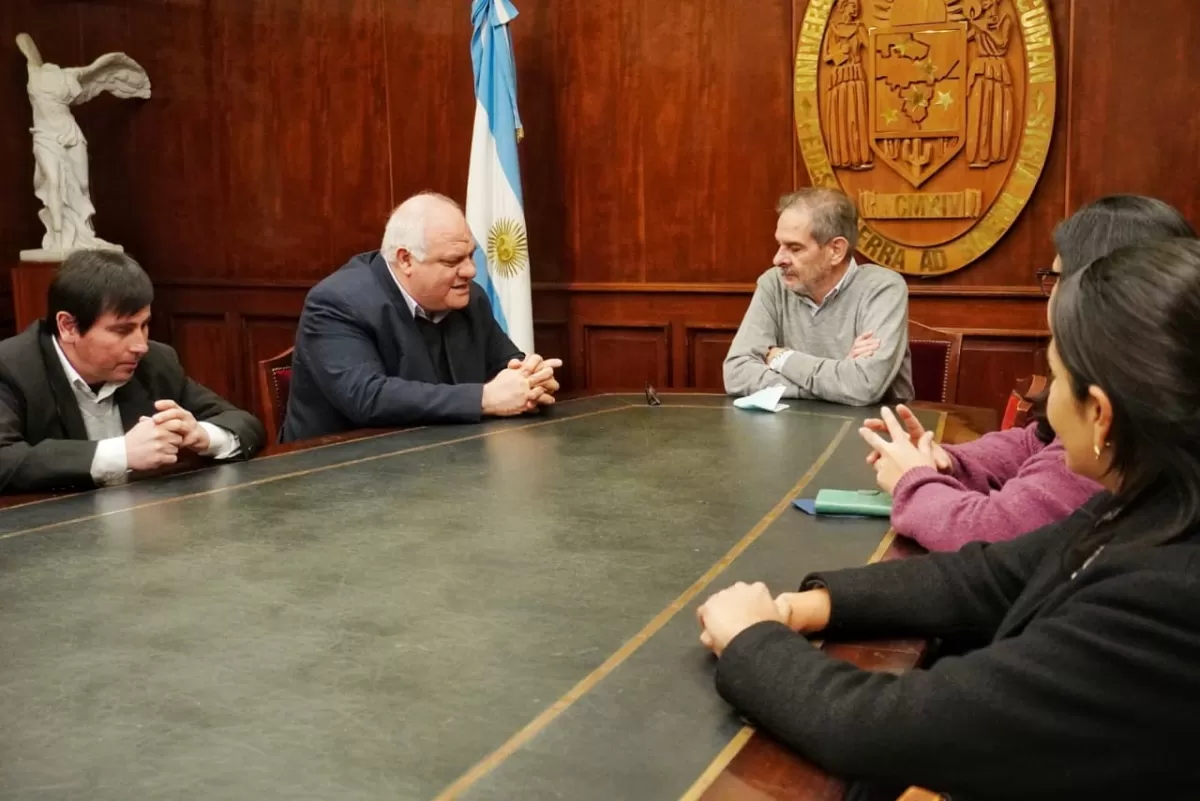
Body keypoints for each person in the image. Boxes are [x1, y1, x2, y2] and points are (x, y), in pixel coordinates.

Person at [697, 237, 1200, 800]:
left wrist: (752, 642)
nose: (1046, 398)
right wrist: (806, 606)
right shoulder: (1158, 501)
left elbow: (890, 729)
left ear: (1101, 415)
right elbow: (992, 576)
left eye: (1056, 376)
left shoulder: (1168, 596)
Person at [863, 195, 1195, 551]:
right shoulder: (1131, 381)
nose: (1051, 299)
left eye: (1058, 279)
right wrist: (948, 460)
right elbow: (1037, 440)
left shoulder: (1121, 436)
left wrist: (914, 481)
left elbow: (989, 532)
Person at [281, 192, 561, 442]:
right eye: (453, 261)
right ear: (405, 260)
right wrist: (485, 399)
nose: (470, 271)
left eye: (471, 256)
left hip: (442, 461)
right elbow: (367, 398)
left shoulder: (468, 297)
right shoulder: (337, 302)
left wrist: (530, 380)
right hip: (337, 476)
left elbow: (505, 364)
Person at [0, 250, 265, 493]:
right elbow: (4, 461)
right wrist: (122, 453)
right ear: (68, 326)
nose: (140, 345)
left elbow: (243, 423)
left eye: (144, 325)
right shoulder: (12, 367)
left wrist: (201, 435)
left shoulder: (156, 362)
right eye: (122, 330)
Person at [722, 188, 913, 406]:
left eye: (795, 248)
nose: (778, 259)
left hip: (869, 431)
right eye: (780, 245)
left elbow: (863, 386)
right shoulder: (773, 283)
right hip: (791, 428)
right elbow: (736, 374)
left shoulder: (883, 288)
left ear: (836, 250)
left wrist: (782, 358)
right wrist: (838, 378)